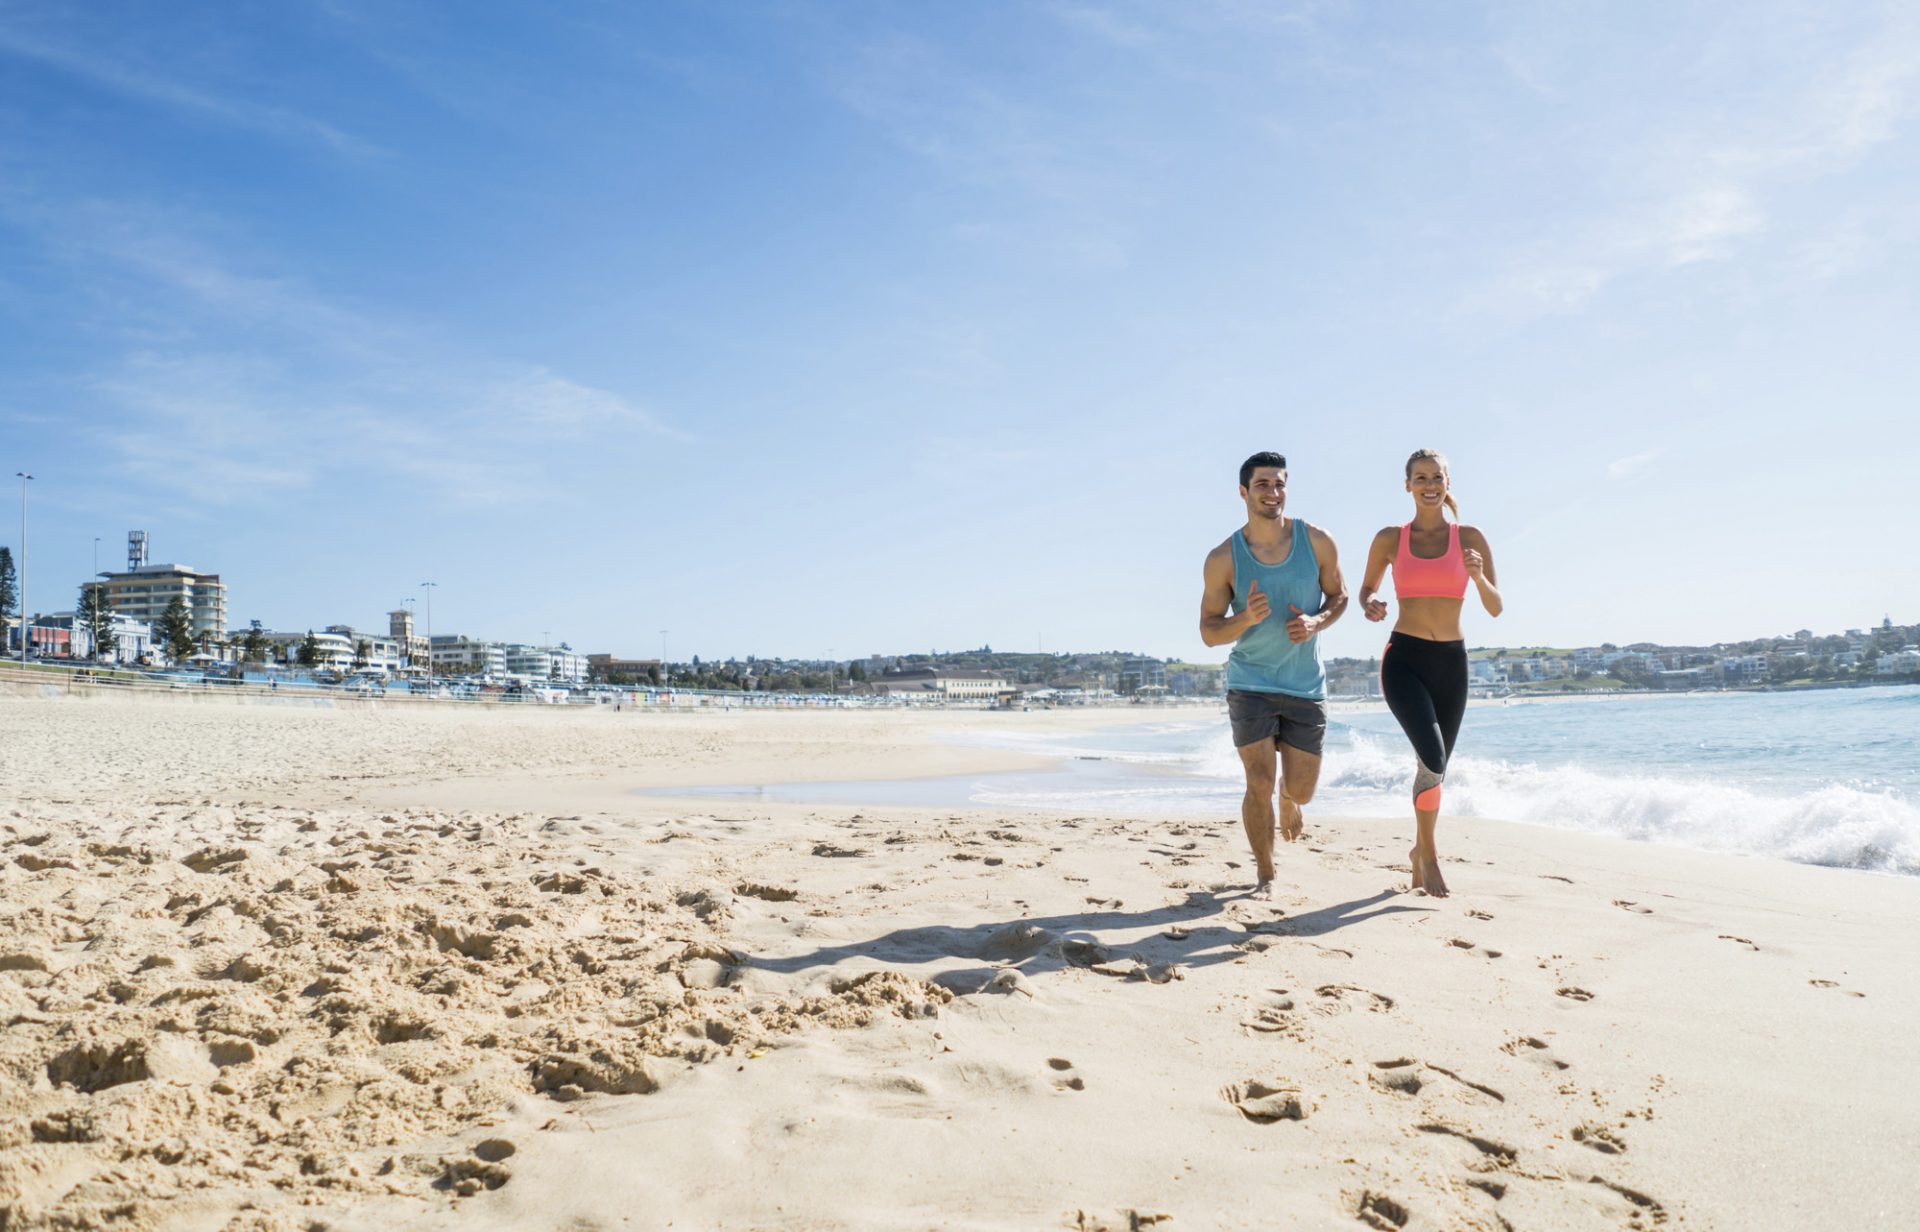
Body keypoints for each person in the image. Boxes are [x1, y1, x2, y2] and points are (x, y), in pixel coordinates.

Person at [1200, 451, 1349, 899]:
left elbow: (1338, 596)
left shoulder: (1317, 541)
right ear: (1243, 492)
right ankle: (1265, 873)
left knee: (1300, 790)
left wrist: (1316, 622)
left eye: (1280, 484)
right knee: (1257, 781)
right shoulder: (1224, 557)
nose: (1273, 492)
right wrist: (1243, 620)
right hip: (1251, 684)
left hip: (1305, 684)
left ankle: (1289, 797)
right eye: (1263, 484)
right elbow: (1209, 631)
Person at [1357, 449, 1503, 897]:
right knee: (1433, 756)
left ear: (1447, 482)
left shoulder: (1469, 537)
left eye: (1436, 477)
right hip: (1404, 659)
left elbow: (1496, 607)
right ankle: (1430, 855)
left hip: (1451, 664)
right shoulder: (1389, 538)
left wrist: (1477, 577)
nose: (1429, 485)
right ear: (1408, 486)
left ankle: (1418, 851)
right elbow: (1366, 590)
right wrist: (1370, 604)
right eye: (1420, 478)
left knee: (1434, 768)